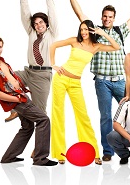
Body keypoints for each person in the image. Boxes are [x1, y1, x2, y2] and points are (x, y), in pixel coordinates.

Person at [65, 0, 130, 161]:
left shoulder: (121, 31)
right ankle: (108, 151)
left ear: (114, 18)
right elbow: (79, 13)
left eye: (110, 17)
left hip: (121, 81)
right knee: (105, 116)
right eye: (104, 17)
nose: (107, 19)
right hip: (102, 82)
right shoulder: (94, 32)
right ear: (102, 17)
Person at [49, 20, 120, 165]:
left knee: (83, 117)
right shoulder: (75, 41)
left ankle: (93, 152)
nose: (83, 32)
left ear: (91, 30)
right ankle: (59, 154)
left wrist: (103, 33)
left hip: (75, 83)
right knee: (58, 115)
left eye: (86, 30)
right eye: (81, 29)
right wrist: (53, 64)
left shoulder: (95, 46)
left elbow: (116, 46)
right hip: (61, 79)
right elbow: (53, 45)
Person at [0, 33, 58, 166]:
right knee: (43, 120)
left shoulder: (2, 61)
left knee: (27, 127)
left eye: (0, 47)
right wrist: (16, 100)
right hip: (17, 100)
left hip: (21, 95)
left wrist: (20, 93)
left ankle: (8, 157)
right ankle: (40, 158)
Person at [5, 0, 58, 123]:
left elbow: (52, 13)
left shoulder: (52, 34)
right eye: (35, 23)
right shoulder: (31, 33)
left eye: (41, 22)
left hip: (42, 76)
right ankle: (15, 109)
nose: (38, 25)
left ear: (46, 23)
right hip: (28, 72)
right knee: (4, 78)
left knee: (40, 115)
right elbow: (25, 14)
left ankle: (41, 145)